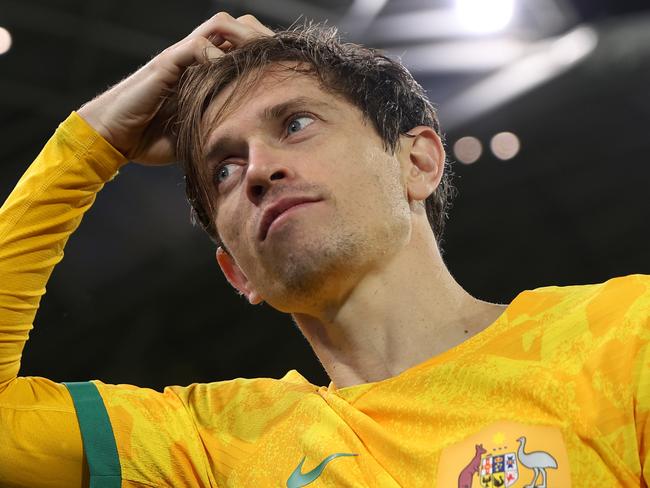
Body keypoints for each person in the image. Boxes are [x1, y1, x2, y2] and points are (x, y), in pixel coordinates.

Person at [0, 11, 647, 488]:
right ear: (236, 273)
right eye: (224, 168)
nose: (256, 170)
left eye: (295, 123)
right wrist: (90, 143)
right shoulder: (217, 445)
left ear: (417, 161)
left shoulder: (622, 336)